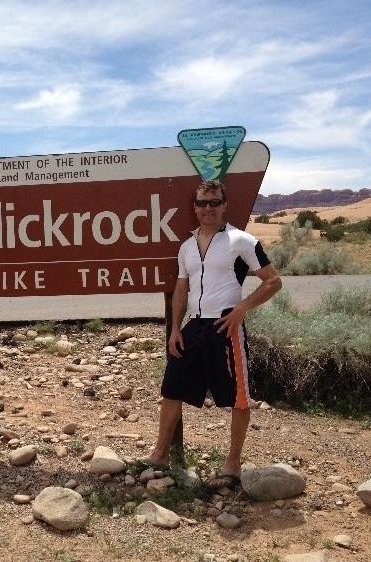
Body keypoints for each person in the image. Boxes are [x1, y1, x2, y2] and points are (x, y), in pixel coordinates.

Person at [145, 179, 282, 489]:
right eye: (202, 203)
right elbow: (182, 287)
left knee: (238, 397)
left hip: (226, 325)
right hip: (194, 326)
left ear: (224, 206)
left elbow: (273, 281)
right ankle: (160, 454)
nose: (208, 208)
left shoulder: (241, 241)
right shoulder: (186, 246)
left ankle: (233, 464)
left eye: (214, 202)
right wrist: (175, 329)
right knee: (172, 389)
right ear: (195, 208)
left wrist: (243, 307)